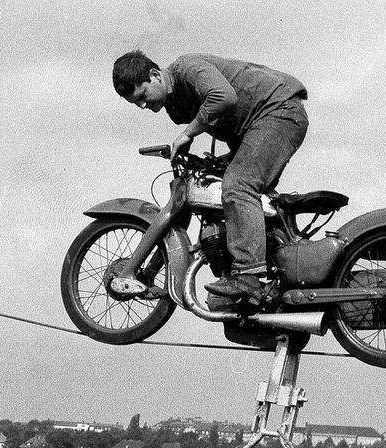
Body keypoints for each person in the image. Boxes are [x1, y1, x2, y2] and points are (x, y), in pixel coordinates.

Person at [112, 50, 309, 305]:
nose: (142, 105)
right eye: (134, 103)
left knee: (239, 186)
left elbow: (224, 97)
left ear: (155, 75)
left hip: (278, 111)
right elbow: (234, 122)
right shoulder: (176, 105)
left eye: (142, 95)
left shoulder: (187, 68)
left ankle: (248, 276)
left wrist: (188, 134)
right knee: (233, 186)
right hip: (261, 123)